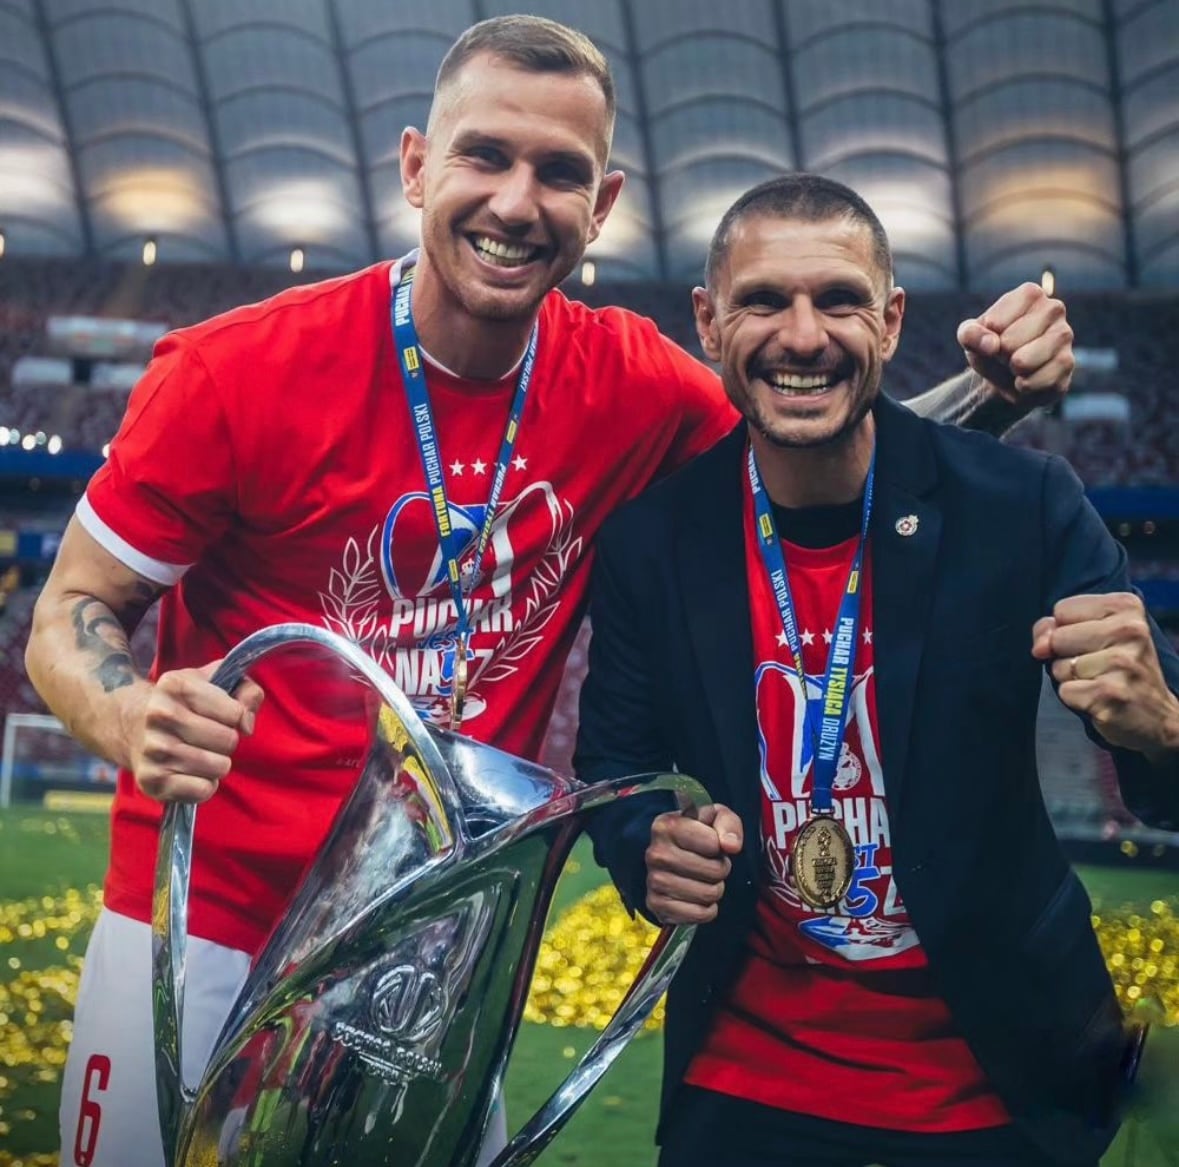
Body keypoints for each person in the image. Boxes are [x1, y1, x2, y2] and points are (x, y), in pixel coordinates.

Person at [26, 16, 1077, 1167]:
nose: (519, 203)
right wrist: (131, 714)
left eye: (560, 173)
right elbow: (69, 621)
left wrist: (990, 397)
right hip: (208, 928)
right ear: (417, 164)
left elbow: (816, 427)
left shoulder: (632, 386)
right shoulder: (235, 370)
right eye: (486, 156)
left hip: (444, 959)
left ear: (604, 204)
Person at [576, 172, 1179, 1167]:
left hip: (992, 1081)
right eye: (764, 299)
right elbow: (613, 766)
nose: (803, 335)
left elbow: (1159, 765)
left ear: (892, 321)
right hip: (746, 1077)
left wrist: (1161, 723)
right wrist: (646, 841)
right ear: (708, 322)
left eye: (840, 299)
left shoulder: (1020, 500)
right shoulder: (653, 540)